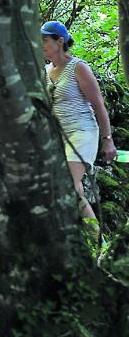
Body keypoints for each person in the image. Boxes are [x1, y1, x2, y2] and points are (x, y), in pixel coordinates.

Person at [41, 20, 116, 223]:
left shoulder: (78, 67)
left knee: (67, 186)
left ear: (60, 41)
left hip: (82, 132)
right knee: (74, 190)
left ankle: (95, 240)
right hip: (61, 137)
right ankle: (95, 239)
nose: (41, 44)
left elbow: (99, 105)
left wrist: (107, 138)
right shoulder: (45, 72)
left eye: (45, 40)